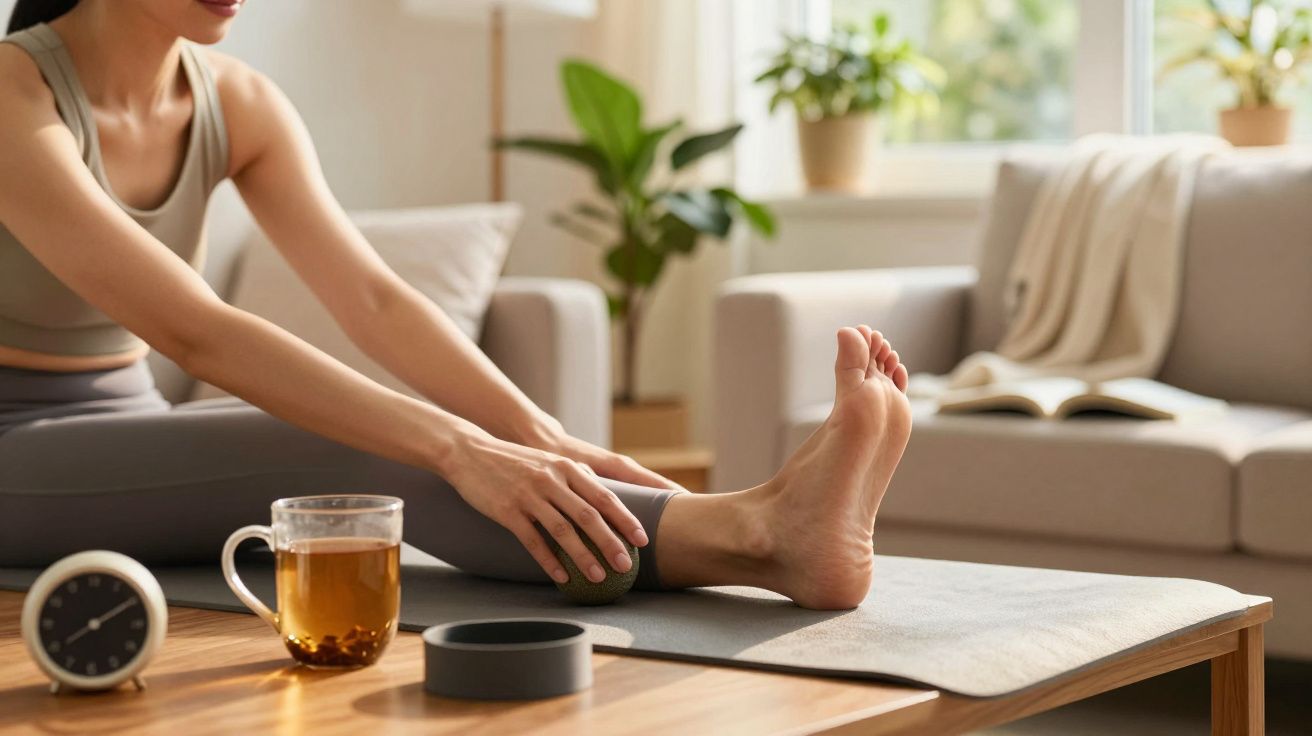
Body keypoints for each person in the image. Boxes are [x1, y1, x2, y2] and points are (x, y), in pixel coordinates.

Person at [0, 0, 912, 610]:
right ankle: (759, 538)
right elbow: (195, 331)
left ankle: (762, 518)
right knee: (373, 448)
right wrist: (458, 445)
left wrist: (536, 433)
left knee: (418, 443)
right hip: (14, 454)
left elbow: (375, 299)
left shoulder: (238, 102)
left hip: (125, 426)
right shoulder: (14, 95)